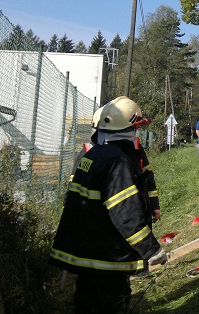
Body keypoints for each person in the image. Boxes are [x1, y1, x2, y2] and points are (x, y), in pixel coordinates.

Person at [50, 96, 167, 314]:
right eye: (137, 128)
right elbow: (125, 212)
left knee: (86, 302)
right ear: (130, 129)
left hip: (90, 252)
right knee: (109, 303)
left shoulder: (94, 154)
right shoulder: (118, 162)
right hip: (106, 256)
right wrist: (151, 250)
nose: (138, 133)